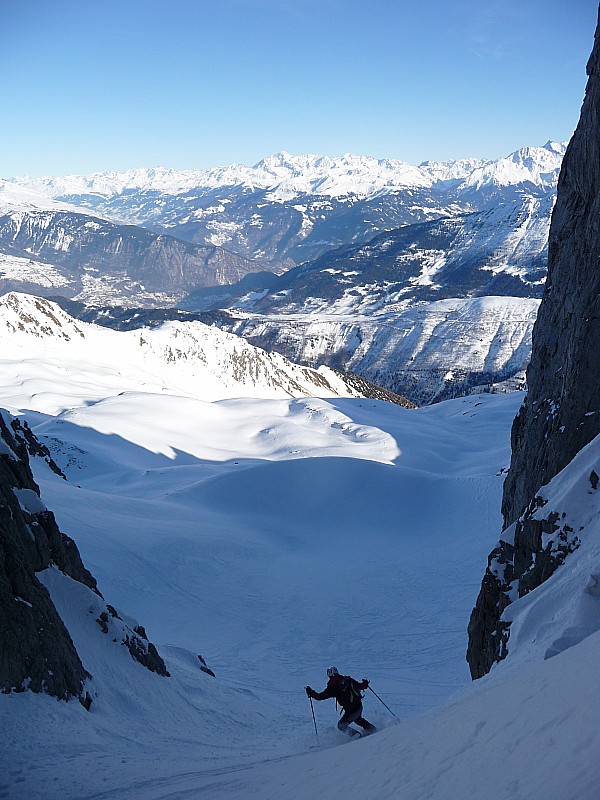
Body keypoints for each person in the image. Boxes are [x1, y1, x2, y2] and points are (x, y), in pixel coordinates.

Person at [305, 666, 377, 736]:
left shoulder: (332, 688)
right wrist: (365, 683)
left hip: (351, 711)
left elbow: (319, 697)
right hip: (359, 706)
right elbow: (361, 686)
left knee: (341, 725)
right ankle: (373, 730)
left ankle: (356, 736)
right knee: (358, 719)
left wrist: (311, 692)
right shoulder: (347, 679)